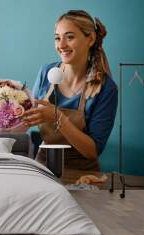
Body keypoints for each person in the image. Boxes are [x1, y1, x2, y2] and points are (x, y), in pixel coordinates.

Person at [23, 10, 118, 172]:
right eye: (57, 38)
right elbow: (29, 117)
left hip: (82, 175)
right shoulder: (46, 72)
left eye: (70, 37)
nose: (61, 45)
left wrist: (58, 117)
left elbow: (92, 151)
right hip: (43, 168)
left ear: (91, 39)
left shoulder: (105, 89)